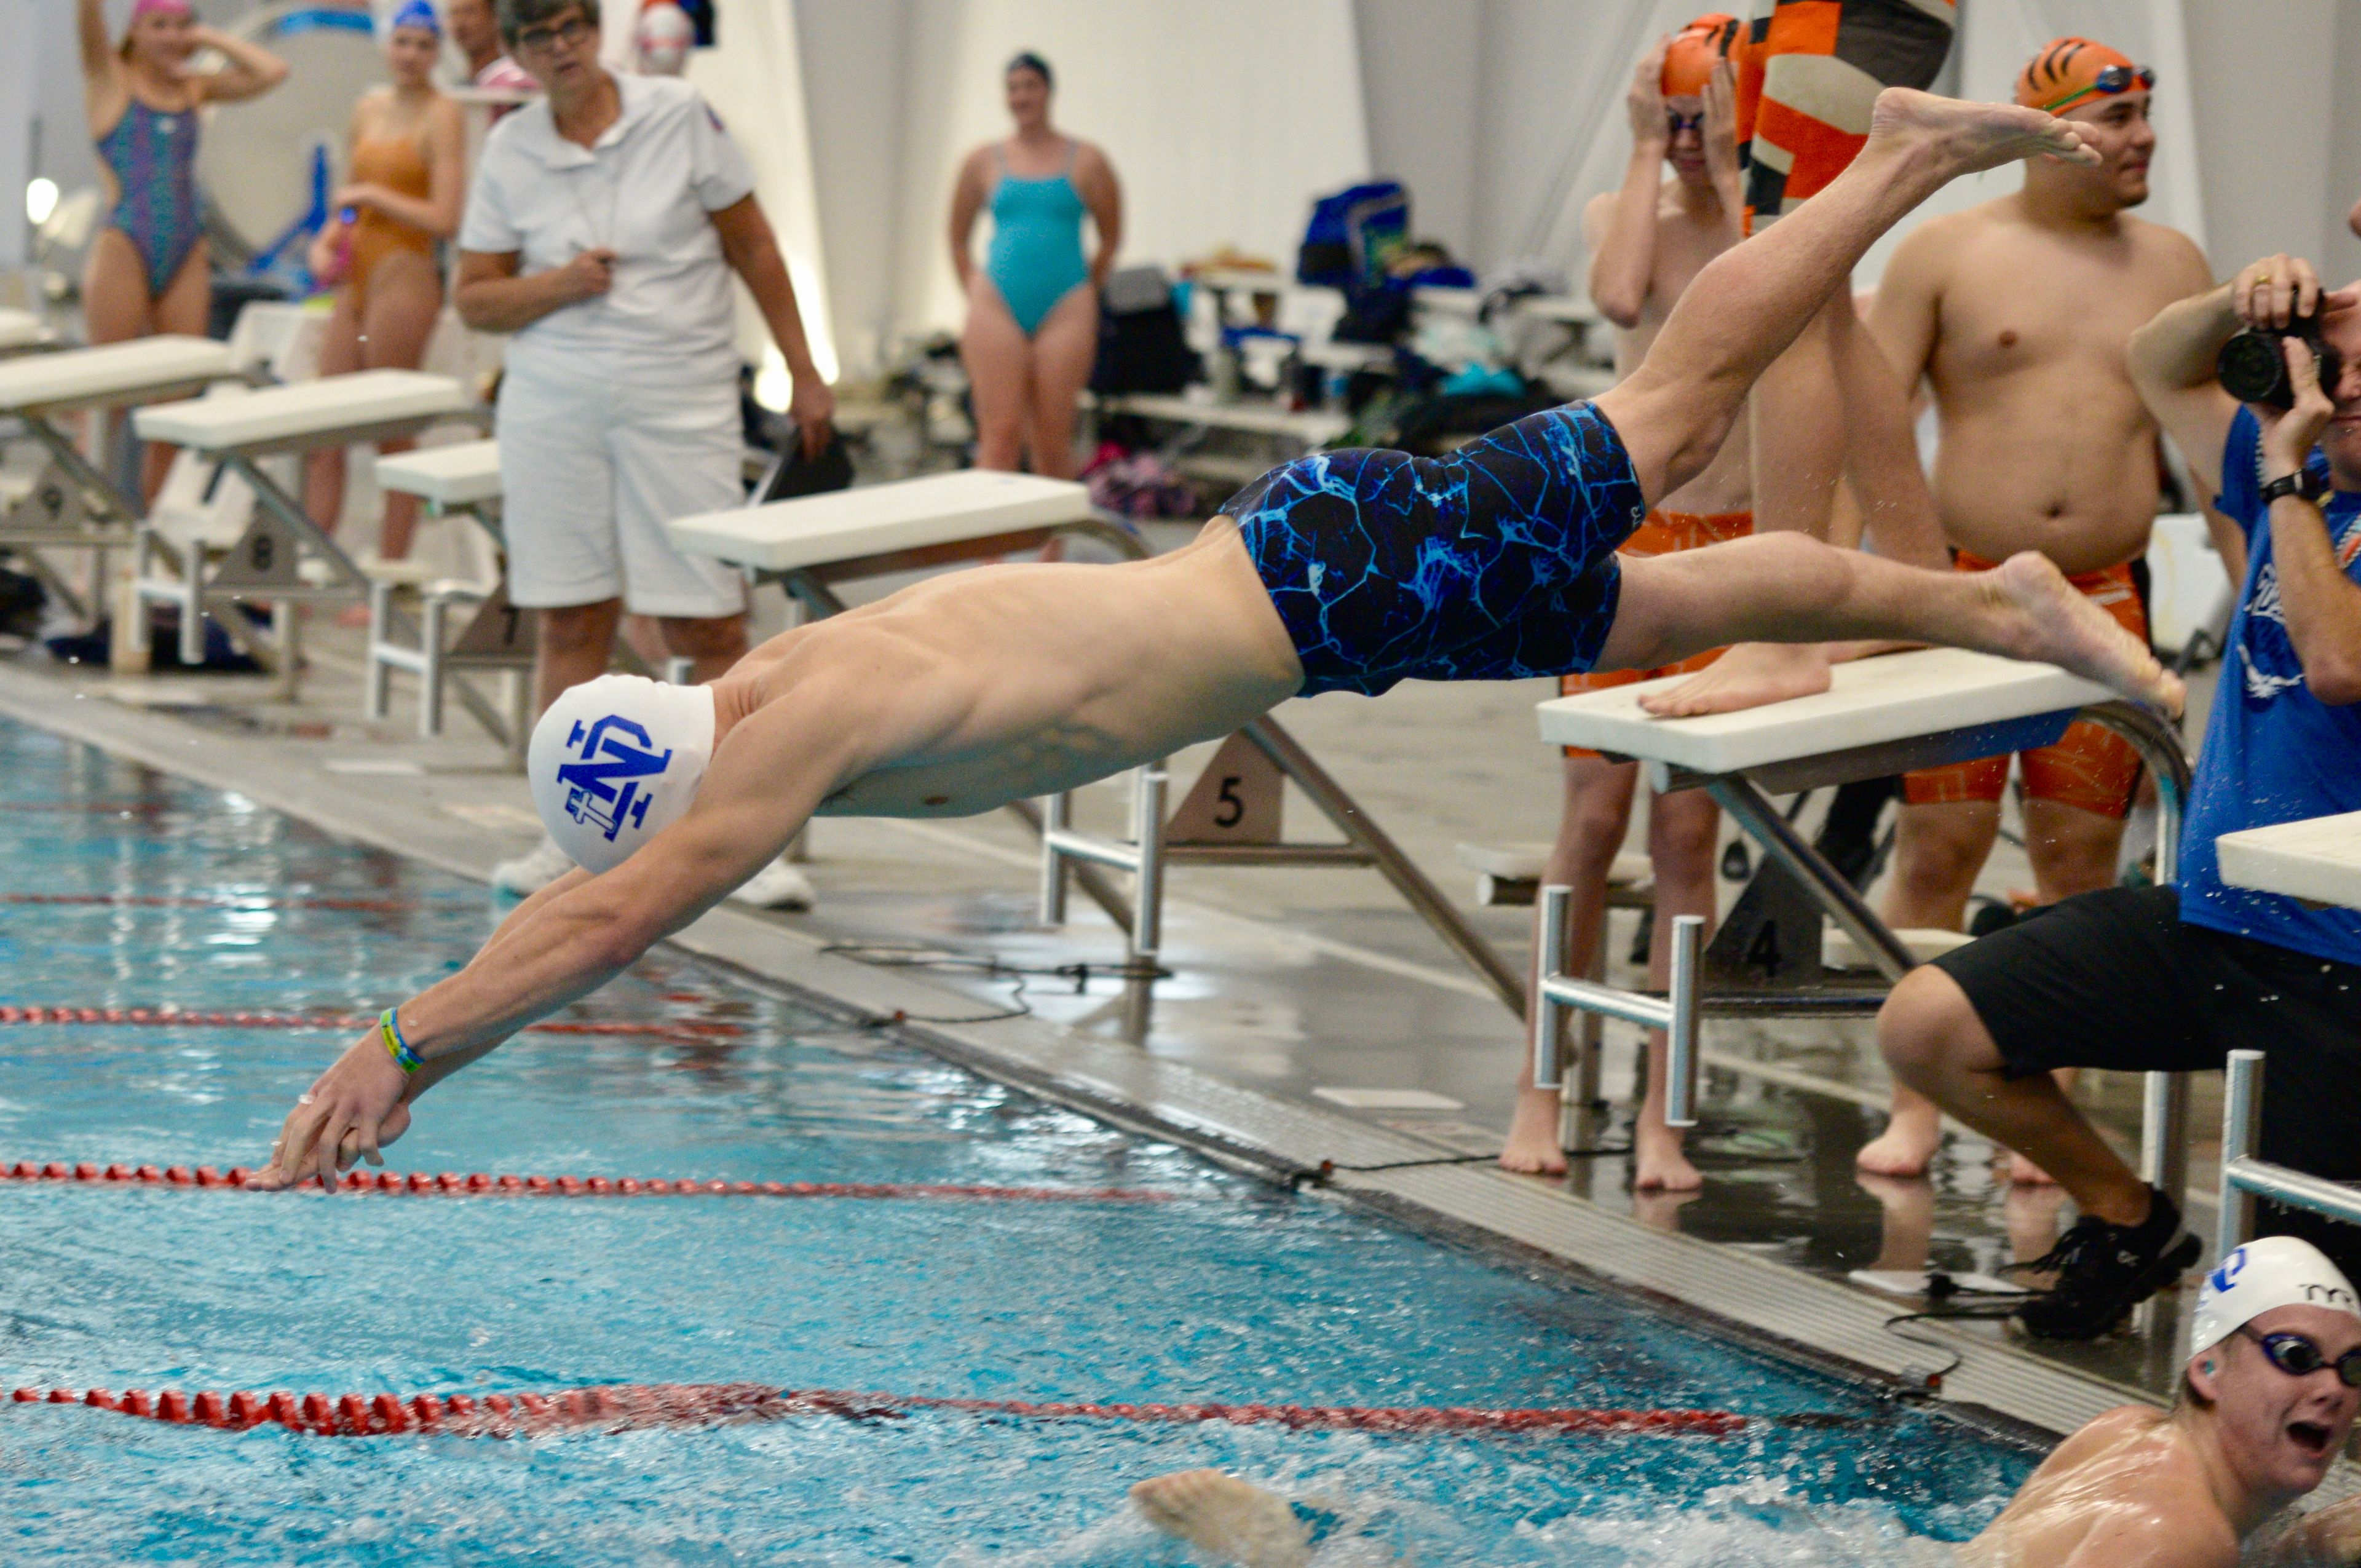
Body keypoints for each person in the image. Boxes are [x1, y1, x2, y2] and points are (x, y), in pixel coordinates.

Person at [247, 90, 2178, 1195]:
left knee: (1666, 415)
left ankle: (1898, 159)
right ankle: (1989, 603)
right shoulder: (751, 689)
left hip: (1324, 578)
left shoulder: (775, 748)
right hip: (1313, 594)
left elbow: (605, 919)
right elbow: (600, 886)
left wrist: (404, 1042)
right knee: (1661, 599)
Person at [1875, 252, 2361, 1340]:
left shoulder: (2293, 488)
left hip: (2345, 963)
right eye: (2330, 366)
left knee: (2297, 1322)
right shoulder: (2298, 472)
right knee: (1930, 1023)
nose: (2343, 390)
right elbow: (2157, 358)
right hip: (2214, 924)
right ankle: (2128, 1219)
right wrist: (2242, 300)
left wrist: (2285, 481)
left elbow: (2338, 663)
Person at [1851, 39, 2215, 1184]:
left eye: (2148, 112)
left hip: (2106, 594)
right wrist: (1891, 577)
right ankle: (1916, 1101)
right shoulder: (1950, 250)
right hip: (1966, 592)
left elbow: (2212, 451)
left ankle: (2031, 1101)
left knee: (2080, 863)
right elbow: (1871, 415)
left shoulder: (2174, 261)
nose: (2143, 135)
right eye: (2118, 116)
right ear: (2047, 129)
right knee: (1940, 849)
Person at [1127, 1237, 2361, 1567]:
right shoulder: (2179, 1535)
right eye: (2297, 1355)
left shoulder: (2125, 1438)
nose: (2330, 1391)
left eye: (2352, 1371)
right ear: (2208, 1367)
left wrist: (2305, 1541)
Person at [451, 0, 832, 910]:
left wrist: (805, 369)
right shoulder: (510, 151)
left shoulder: (678, 116)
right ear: (517, 53)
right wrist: (561, 284)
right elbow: (473, 300)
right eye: (540, 37)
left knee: (707, 620)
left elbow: (754, 242)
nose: (563, 48)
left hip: (682, 394)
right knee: (570, 618)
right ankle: (571, 833)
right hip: (555, 402)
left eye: (574, 27)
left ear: (597, 29)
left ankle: (745, 834)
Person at [1502, 17, 1749, 1190]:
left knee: (1688, 837)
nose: (1695, 142)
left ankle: (1665, 1114)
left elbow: (1769, 279)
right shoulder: (1626, 213)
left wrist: (1738, 163)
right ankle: (1541, 1086)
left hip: (1736, 550)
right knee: (1593, 822)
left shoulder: (1764, 226)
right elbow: (1615, 297)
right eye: (1678, 118)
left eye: (1710, 118)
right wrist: (1650, 146)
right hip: (1630, 545)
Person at [1646, 0, 1959, 720]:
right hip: (1798, 18)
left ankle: (1781, 629)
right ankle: (1916, 582)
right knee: (1823, 302)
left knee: (1788, 300)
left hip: (1848, 16)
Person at [76, 0, 287, 499]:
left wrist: (209, 37)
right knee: (105, 398)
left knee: (176, 396)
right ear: (135, 31)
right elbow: (86, 17)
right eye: (159, 27)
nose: (172, 37)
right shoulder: (110, 77)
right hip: (125, 241)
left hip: (185, 247)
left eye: (180, 27)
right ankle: (92, 534)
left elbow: (273, 71)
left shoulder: (194, 86)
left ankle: (149, 535)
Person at [303, 1, 468, 577]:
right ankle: (312, 561)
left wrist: (373, 199)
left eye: (425, 46)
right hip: (357, 276)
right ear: (386, 45)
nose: (412, 56)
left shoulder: (443, 114)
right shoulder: (367, 108)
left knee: (388, 432)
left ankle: (390, 572)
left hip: (407, 275)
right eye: (403, 43)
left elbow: (447, 217)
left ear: (437, 52)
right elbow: (348, 198)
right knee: (324, 430)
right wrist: (326, 241)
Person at [947, 52, 1121, 480]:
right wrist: (974, 289)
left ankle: (1051, 548)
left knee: (1052, 436)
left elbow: (1111, 235)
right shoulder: (982, 161)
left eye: (1030, 86)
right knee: (1000, 434)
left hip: (1065, 302)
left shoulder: (1087, 160)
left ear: (1048, 92)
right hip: (997, 302)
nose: (1022, 96)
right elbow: (956, 238)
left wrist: (1086, 290)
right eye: (1013, 88)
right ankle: (990, 549)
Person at [445, 0, 539, 119]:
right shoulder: (454, 90)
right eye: (453, 13)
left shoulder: (518, 83)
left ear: (495, 18)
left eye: (469, 12)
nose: (460, 23)